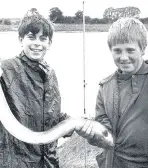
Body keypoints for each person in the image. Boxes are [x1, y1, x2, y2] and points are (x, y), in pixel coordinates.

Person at [0, 9, 69, 168]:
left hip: (48, 162)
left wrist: (72, 124)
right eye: (31, 37)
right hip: (16, 162)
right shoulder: (7, 68)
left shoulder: (51, 73)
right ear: (21, 39)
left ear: (49, 43)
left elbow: (51, 115)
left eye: (43, 39)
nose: (37, 43)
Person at [76, 17, 148, 168]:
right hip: (113, 163)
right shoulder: (105, 87)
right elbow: (105, 134)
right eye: (117, 51)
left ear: (143, 49)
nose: (123, 57)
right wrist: (91, 132)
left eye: (130, 50)